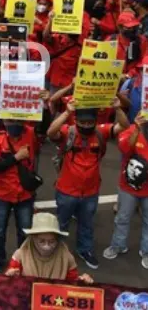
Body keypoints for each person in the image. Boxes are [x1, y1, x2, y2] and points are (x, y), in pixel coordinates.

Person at [47, 100, 130, 269]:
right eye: (82, 122)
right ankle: (55, 252)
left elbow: (124, 126)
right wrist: (66, 113)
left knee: (87, 224)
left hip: (90, 192)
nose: (86, 125)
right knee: (61, 223)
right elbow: (51, 132)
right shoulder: (68, 132)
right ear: (76, 121)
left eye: (90, 122)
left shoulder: (101, 132)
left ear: (95, 121)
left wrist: (117, 108)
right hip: (67, 190)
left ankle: (85, 250)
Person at [0, 120, 39, 273]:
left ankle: (23, 262)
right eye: (11, 120)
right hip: (3, 193)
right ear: (4, 120)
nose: (15, 123)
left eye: (18, 120)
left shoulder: (30, 133)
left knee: (25, 232)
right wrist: (16, 157)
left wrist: (45, 103)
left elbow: (46, 129)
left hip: (25, 194)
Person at [103, 115, 148, 269]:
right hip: (128, 188)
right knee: (122, 218)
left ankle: (146, 251)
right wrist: (136, 129)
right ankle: (118, 245)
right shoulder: (131, 130)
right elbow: (124, 148)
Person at [6, 212, 94, 283]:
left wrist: (82, 281)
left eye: (52, 241)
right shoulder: (19, 255)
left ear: (57, 239)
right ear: (33, 238)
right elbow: (9, 280)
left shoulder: (67, 258)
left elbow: (72, 283)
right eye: (42, 241)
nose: (47, 246)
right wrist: (9, 276)